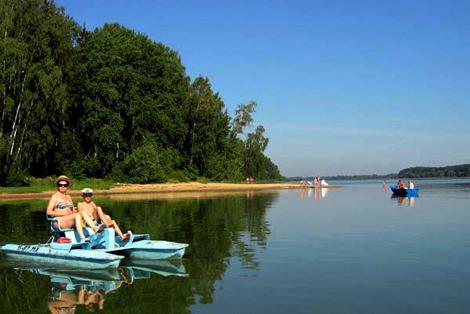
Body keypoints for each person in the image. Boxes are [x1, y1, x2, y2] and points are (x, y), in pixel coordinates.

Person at [46, 175, 88, 242]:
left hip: (69, 220)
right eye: (60, 185)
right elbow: (49, 212)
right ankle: (83, 238)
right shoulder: (55, 196)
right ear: (58, 186)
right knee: (77, 215)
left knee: (82, 212)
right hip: (58, 221)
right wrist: (63, 213)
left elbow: (72, 210)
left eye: (65, 185)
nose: (63, 186)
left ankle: (95, 228)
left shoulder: (68, 197)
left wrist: (78, 210)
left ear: (67, 186)